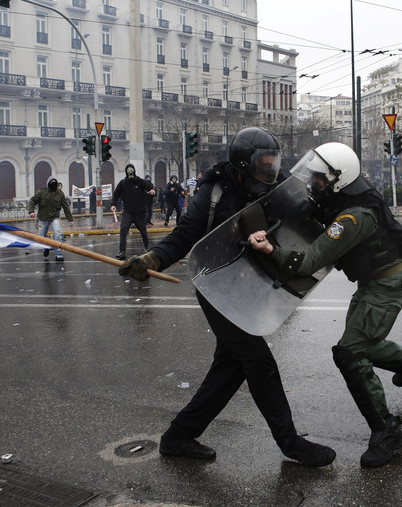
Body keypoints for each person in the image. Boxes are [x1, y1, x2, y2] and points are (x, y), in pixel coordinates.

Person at [117, 127, 336, 467]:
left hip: (250, 284)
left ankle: (179, 435)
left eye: (272, 164)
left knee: (231, 369)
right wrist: (152, 259)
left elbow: (297, 217)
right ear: (241, 165)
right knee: (258, 363)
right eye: (262, 165)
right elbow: (185, 234)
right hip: (216, 285)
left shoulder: (272, 187)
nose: (269, 171)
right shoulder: (214, 193)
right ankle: (290, 442)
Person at [246, 141, 402, 468]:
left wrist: (271, 250)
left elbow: (310, 260)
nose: (314, 184)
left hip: (388, 285)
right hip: (377, 282)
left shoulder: (354, 217)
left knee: (350, 351)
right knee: (363, 344)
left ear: (338, 180)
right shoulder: (349, 201)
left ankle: (386, 430)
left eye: (319, 179)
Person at [111, 164, 155, 260]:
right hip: (128, 211)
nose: (130, 172)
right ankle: (122, 251)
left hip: (140, 212)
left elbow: (150, 187)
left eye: (131, 170)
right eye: (128, 170)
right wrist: (113, 204)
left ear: (134, 171)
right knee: (123, 229)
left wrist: (153, 191)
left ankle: (148, 249)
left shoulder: (139, 181)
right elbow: (116, 194)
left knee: (143, 230)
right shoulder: (123, 183)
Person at [28, 176, 74, 260]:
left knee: (58, 234)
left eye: (54, 182)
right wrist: (31, 211)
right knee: (41, 237)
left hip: (54, 218)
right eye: (51, 182)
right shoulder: (42, 192)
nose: (53, 184)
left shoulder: (60, 194)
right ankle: (46, 248)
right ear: (48, 183)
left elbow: (65, 207)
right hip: (43, 218)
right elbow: (32, 201)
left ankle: (58, 253)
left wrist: (70, 219)